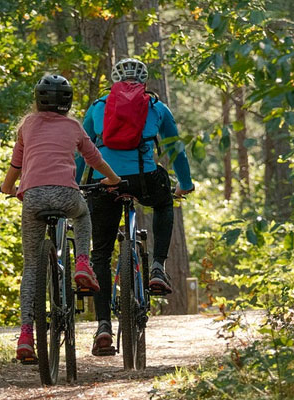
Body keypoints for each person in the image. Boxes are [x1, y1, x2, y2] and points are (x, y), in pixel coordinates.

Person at [75, 58, 194, 356]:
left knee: (101, 253)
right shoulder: (156, 107)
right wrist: (186, 183)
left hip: (105, 182)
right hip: (145, 179)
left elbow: (81, 149)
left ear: (115, 80)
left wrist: (76, 182)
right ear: (143, 80)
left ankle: (103, 325)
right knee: (164, 204)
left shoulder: (98, 106)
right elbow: (175, 149)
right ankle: (157, 267)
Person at [0, 74, 121, 362]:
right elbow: (94, 159)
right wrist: (113, 179)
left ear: (37, 100)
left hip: (33, 198)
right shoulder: (74, 127)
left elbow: (16, 163)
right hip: (68, 195)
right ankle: (82, 262)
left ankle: (26, 335)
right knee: (82, 214)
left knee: (31, 267)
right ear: (67, 103)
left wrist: (8, 188)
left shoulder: (27, 126)